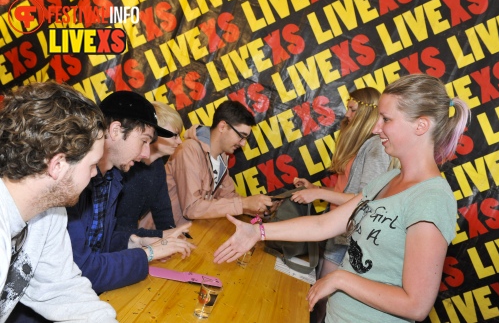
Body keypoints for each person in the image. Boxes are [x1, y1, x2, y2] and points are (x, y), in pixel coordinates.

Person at [213, 74, 470, 323]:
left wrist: (340, 279)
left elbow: (416, 305)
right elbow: (323, 225)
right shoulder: (389, 178)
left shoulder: (432, 198)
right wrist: (257, 232)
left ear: (421, 125)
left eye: (386, 119)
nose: (376, 127)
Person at [0, 82, 117, 322]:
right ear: (58, 165)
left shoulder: (48, 211)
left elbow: (62, 292)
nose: (95, 174)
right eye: (92, 165)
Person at [66, 91, 195, 294]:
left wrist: (136, 241)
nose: (146, 153)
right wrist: (147, 253)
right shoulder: (74, 183)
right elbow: (82, 270)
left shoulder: (111, 180)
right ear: (116, 130)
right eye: (143, 141)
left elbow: (101, 244)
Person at [290, 87, 392, 322]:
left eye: (352, 109)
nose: (346, 114)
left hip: (347, 236)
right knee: (318, 296)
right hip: (337, 230)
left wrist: (317, 195)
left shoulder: (377, 147)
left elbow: (366, 200)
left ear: (368, 112)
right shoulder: (364, 145)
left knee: (321, 300)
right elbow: (348, 193)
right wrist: (317, 190)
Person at [166, 101, 273, 226]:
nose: (243, 143)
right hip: (163, 234)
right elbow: (192, 208)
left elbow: (228, 196)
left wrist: (257, 208)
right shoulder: (189, 150)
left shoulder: (221, 157)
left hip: (192, 231)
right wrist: (244, 204)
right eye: (241, 136)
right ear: (222, 126)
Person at [115, 102, 183, 238]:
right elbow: (118, 227)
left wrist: (172, 236)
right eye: (175, 135)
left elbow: (163, 211)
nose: (180, 141)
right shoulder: (124, 166)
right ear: (155, 133)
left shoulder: (157, 166)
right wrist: (161, 236)